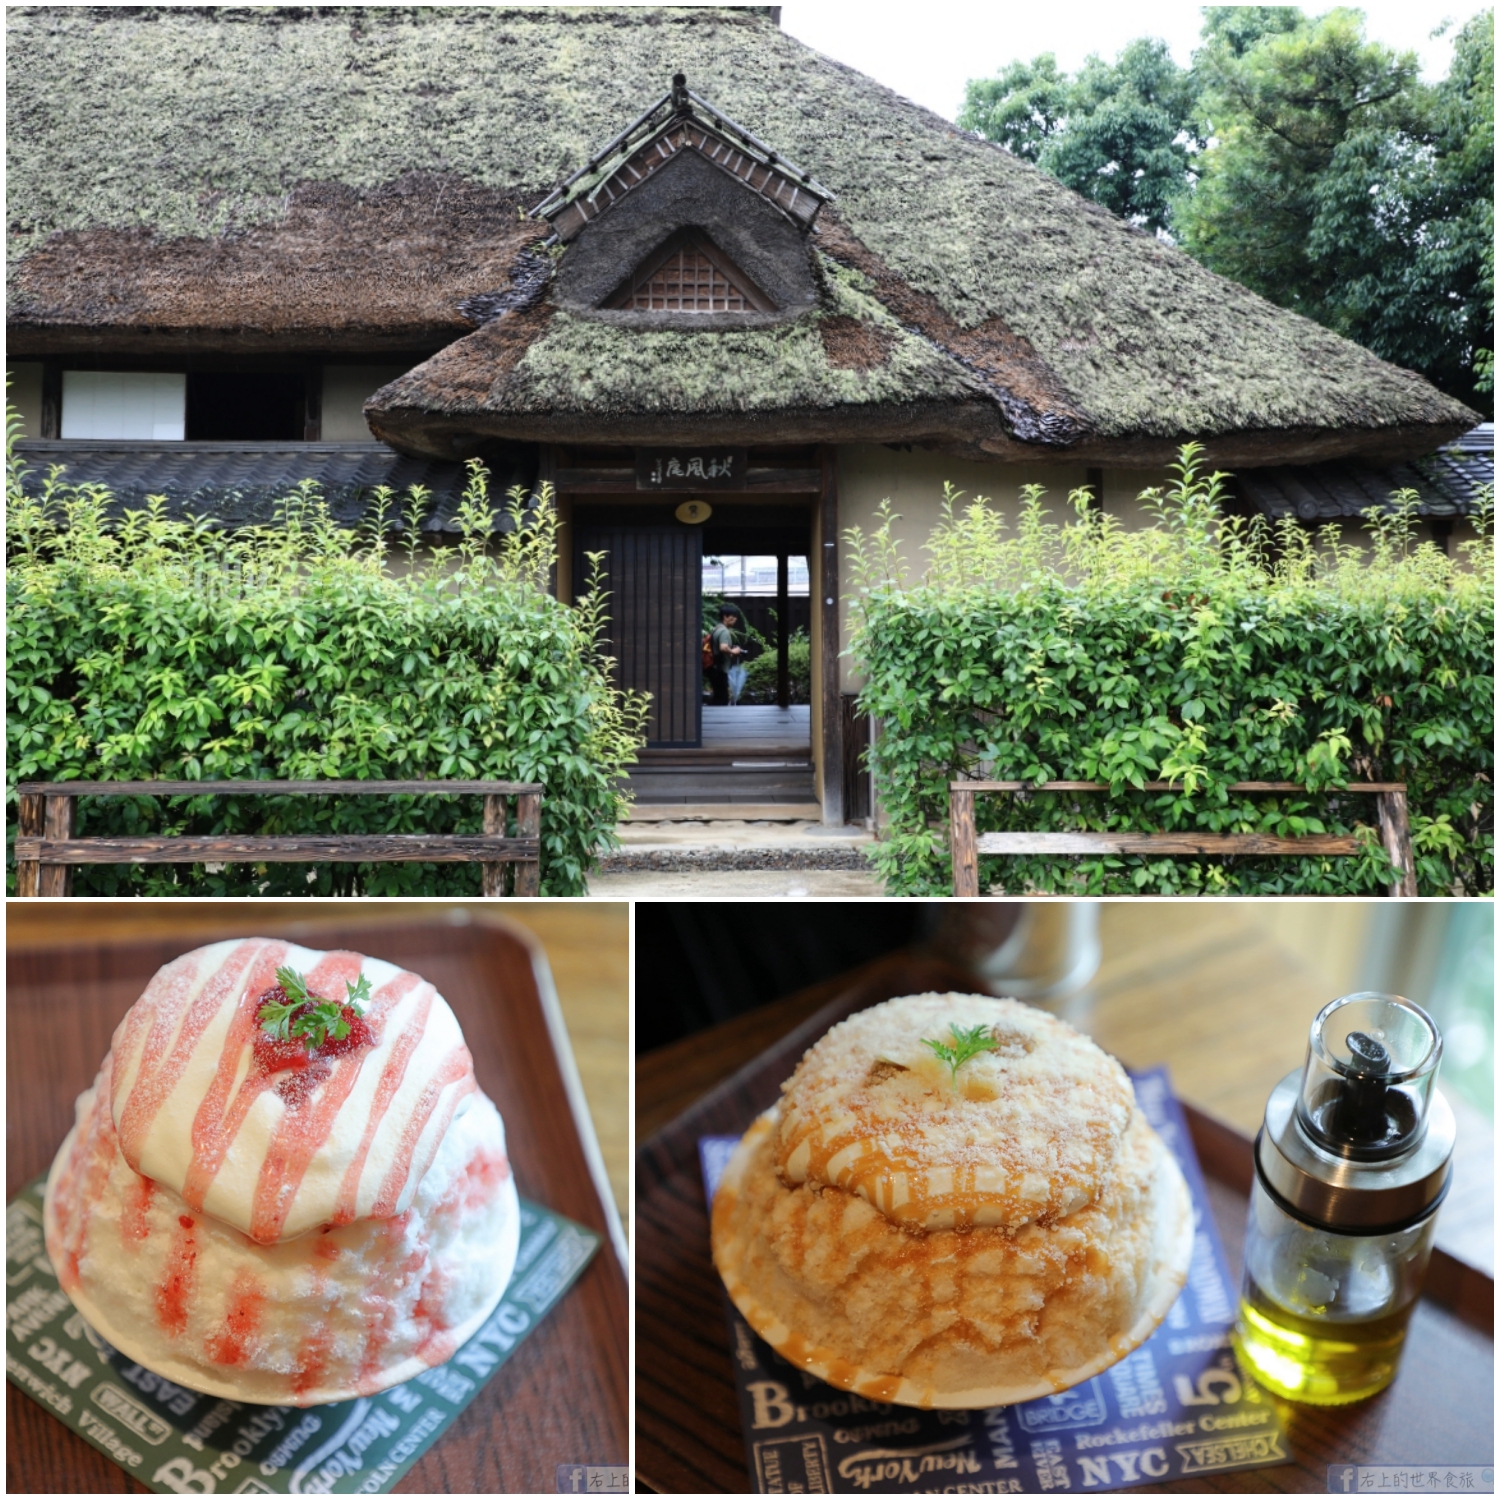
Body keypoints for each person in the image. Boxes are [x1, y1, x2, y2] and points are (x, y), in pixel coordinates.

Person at [707, 605, 744, 706]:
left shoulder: (717, 629)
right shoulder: (724, 631)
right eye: (732, 616)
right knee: (722, 699)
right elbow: (723, 647)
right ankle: (719, 720)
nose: (735, 619)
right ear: (725, 617)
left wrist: (730, 653)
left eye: (736, 616)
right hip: (720, 670)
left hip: (714, 668)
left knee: (718, 696)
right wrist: (734, 652)